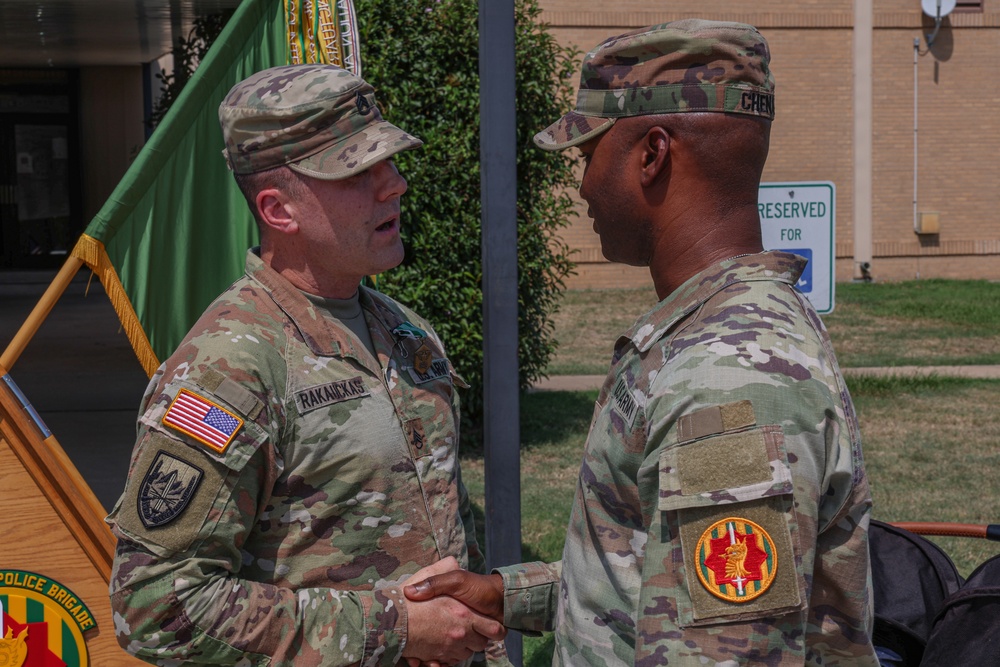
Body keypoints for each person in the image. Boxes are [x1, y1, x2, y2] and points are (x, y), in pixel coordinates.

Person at [405, 19, 880, 665]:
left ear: (652, 154)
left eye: (586, 155)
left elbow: (724, 649)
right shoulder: (710, 336)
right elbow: (659, 574)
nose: (581, 188)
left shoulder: (728, 382)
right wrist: (506, 593)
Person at [105, 63, 509, 667]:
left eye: (390, 161)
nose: (393, 185)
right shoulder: (230, 366)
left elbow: (441, 521)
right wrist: (395, 629)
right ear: (278, 209)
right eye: (357, 172)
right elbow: (155, 605)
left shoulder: (404, 329)